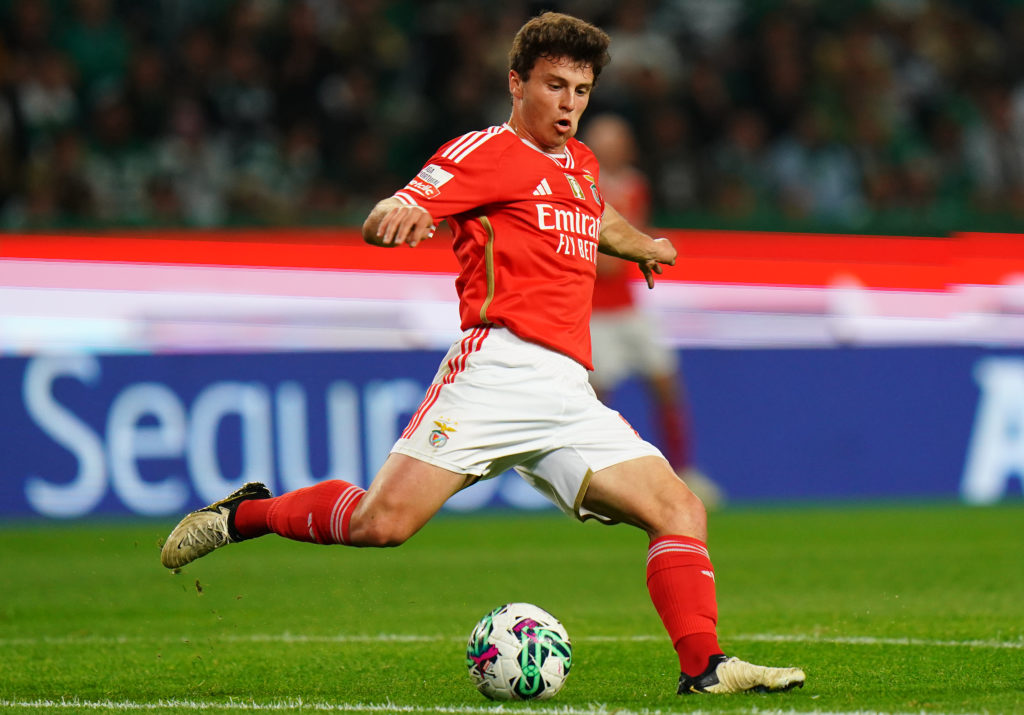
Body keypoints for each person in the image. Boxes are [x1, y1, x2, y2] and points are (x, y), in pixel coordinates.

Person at [160, 12, 805, 697]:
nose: (569, 104)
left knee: (679, 509)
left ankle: (703, 665)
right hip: (495, 370)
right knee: (382, 524)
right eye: (555, 86)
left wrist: (639, 242)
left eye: (581, 91)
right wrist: (397, 214)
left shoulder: (582, 164)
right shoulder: (484, 153)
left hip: (564, 390)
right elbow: (408, 200)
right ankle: (241, 515)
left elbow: (591, 212)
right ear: (516, 82)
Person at [583, 113, 725, 509]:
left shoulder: (633, 185)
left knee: (665, 383)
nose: (612, 149)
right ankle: (594, 477)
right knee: (595, 397)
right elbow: (611, 254)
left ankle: (685, 470)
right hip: (593, 311)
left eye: (617, 142)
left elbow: (621, 249)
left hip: (629, 307)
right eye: (604, 142)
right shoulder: (581, 187)